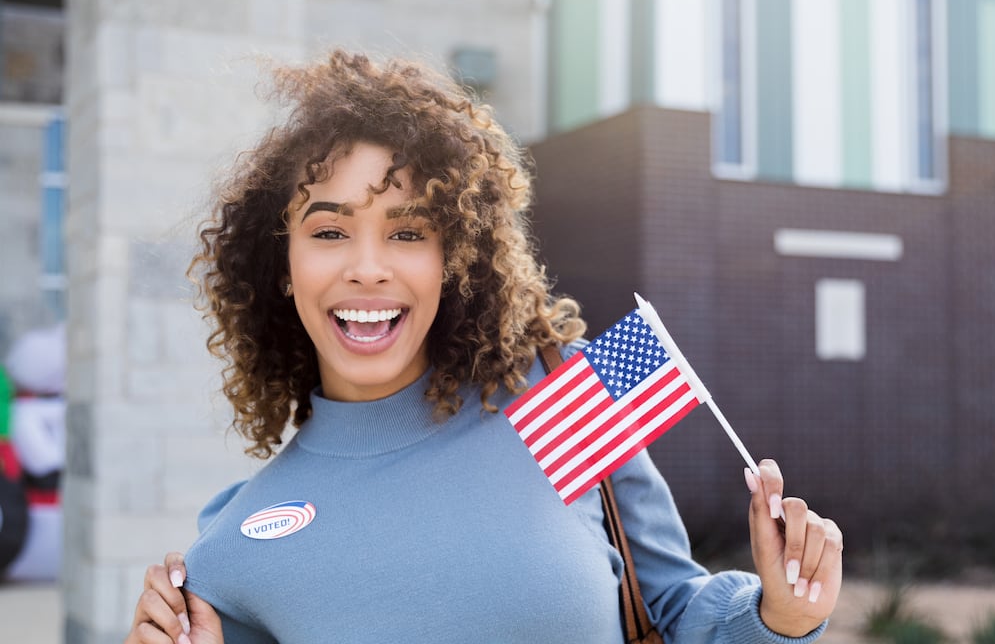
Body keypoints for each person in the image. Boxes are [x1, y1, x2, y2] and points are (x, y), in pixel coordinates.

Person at [125, 50, 843, 644]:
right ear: (281, 266)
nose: (368, 266)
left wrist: (780, 619)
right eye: (329, 230)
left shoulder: (562, 399)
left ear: (455, 260)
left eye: (408, 233)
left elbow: (671, 612)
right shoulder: (235, 548)